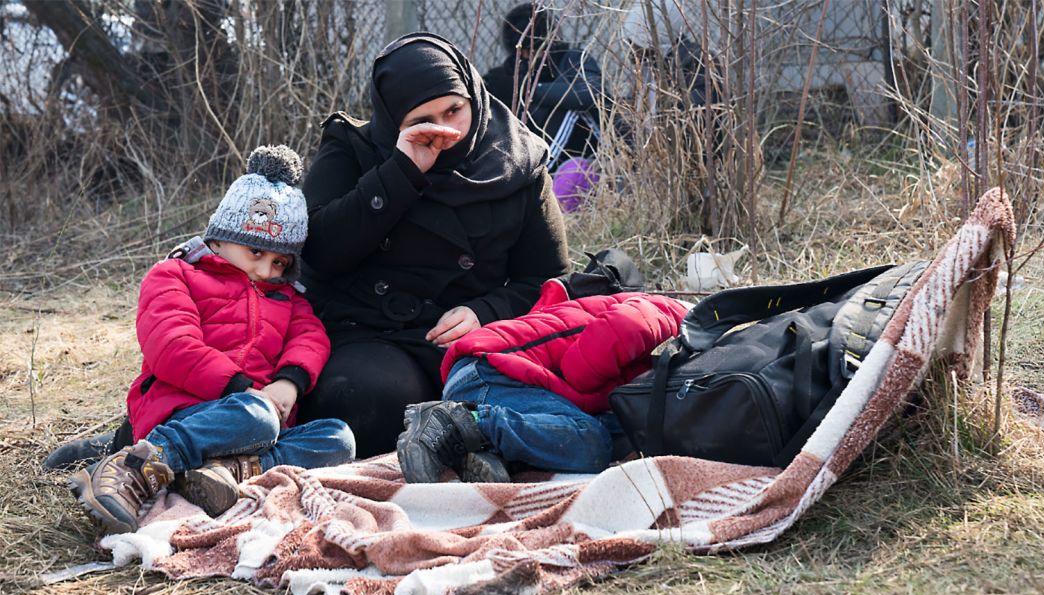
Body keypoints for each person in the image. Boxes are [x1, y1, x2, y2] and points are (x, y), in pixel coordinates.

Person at [296, 33, 570, 458]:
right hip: (370, 332)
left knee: (557, 405)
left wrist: (487, 311)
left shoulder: (518, 162)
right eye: (422, 121)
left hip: (477, 337)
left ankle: (462, 442)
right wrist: (401, 171)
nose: (445, 131)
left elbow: (548, 279)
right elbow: (318, 252)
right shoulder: (353, 149)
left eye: (454, 110)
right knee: (360, 401)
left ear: (473, 97)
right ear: (393, 123)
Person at [69, 146, 355, 535]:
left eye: (280, 263)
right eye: (255, 252)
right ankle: (136, 465)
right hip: (185, 410)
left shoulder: (286, 298)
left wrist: (289, 382)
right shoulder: (175, 275)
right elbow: (172, 344)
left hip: (258, 428)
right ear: (221, 238)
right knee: (255, 413)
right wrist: (243, 390)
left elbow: (311, 337)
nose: (265, 269)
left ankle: (222, 474)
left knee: (338, 438)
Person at [396, 280, 690, 483]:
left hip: (497, 375)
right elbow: (581, 369)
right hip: (492, 368)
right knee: (592, 440)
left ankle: (480, 450)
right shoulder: (669, 314)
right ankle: (461, 422)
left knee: (613, 433)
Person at [482, 2, 605, 212]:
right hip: (543, 160)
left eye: (533, 49)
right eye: (524, 51)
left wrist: (531, 89)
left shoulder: (573, 59)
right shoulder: (511, 71)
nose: (528, 56)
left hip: (585, 154)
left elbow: (590, 93)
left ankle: (533, 177)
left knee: (568, 108)